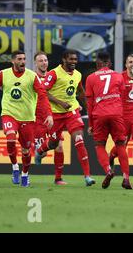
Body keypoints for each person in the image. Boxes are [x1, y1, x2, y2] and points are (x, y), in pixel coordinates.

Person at [0, 50, 53, 187]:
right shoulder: (4, 74)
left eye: (24, 59)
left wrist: (49, 114)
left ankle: (25, 174)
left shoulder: (32, 76)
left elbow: (43, 95)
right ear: (13, 61)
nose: (22, 62)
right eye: (19, 59)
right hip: (9, 114)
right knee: (10, 137)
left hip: (27, 118)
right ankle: (15, 167)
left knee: (26, 150)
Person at [34, 50, 95, 187]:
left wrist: (88, 107)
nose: (73, 62)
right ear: (64, 60)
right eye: (71, 59)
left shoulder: (78, 74)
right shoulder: (54, 73)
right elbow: (43, 92)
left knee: (79, 140)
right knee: (54, 144)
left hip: (71, 112)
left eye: (75, 59)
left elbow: (79, 91)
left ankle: (87, 176)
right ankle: (39, 151)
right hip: (55, 114)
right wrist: (60, 102)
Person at [85, 51, 132, 189]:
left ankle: (108, 170)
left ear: (97, 64)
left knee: (100, 145)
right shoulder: (118, 76)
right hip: (117, 113)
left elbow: (89, 104)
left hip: (99, 114)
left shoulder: (90, 78)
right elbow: (123, 99)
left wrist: (91, 124)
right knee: (120, 145)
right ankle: (126, 178)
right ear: (110, 63)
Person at [109, 54, 133, 185]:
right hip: (122, 118)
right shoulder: (119, 77)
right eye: (130, 62)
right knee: (122, 146)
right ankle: (111, 157)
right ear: (126, 65)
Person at [33, 51, 66, 185]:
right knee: (42, 153)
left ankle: (58, 178)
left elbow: (61, 94)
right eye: (40, 61)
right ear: (35, 63)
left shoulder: (53, 77)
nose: (44, 63)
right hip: (37, 119)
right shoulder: (31, 77)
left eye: (45, 60)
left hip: (53, 117)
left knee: (59, 146)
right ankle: (24, 174)